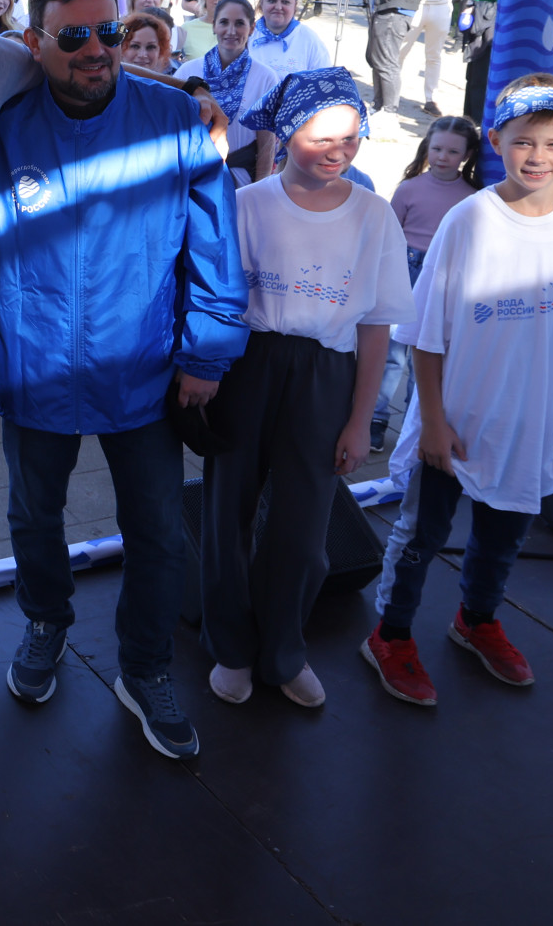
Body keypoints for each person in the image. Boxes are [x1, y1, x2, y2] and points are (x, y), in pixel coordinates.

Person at [0, 0, 246, 759]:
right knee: (33, 517)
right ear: (34, 42)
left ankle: (145, 664)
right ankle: (46, 621)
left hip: (144, 368)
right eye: (74, 36)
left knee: (159, 530)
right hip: (35, 367)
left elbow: (215, 244)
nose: (96, 49)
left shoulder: (173, 117)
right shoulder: (2, 123)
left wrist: (208, 351)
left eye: (109, 30)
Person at [363, 76, 553, 705]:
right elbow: (426, 334)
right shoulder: (469, 220)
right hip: (455, 420)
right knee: (421, 536)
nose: (537, 156)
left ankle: (476, 620)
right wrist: (432, 421)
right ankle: (390, 634)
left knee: (504, 536)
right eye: (524, 141)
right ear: (499, 141)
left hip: (532, 423)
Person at [202, 70, 413, 710]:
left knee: (302, 524)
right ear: (288, 130)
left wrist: (360, 419)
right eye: (321, 137)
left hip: (326, 374)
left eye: (350, 138)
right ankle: (231, 646)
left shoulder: (374, 215)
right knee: (227, 512)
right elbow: (217, 299)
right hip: (249, 363)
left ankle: (284, 650)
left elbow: (376, 326)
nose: (337, 151)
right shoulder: (248, 203)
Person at [372, 116, 481, 451]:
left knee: (427, 354)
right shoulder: (409, 188)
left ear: (466, 155)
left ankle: (414, 422)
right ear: (427, 147)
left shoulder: (472, 197)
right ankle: (376, 418)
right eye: (437, 148)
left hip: (443, 277)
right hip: (404, 270)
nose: (442, 156)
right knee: (391, 352)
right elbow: (388, 235)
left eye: (453, 151)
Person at [174, 0, 280, 177]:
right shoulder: (187, 72)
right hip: (194, 177)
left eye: (239, 23)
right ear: (214, 26)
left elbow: (266, 145)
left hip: (241, 179)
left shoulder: (266, 78)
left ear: (252, 28)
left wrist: (260, 187)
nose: (231, 31)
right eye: (224, 22)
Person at [246, 0, 333, 78]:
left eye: (285, 2)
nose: (278, 7)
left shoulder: (310, 40)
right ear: (261, 3)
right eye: (272, 1)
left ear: (295, 6)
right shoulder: (246, 36)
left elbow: (324, 80)